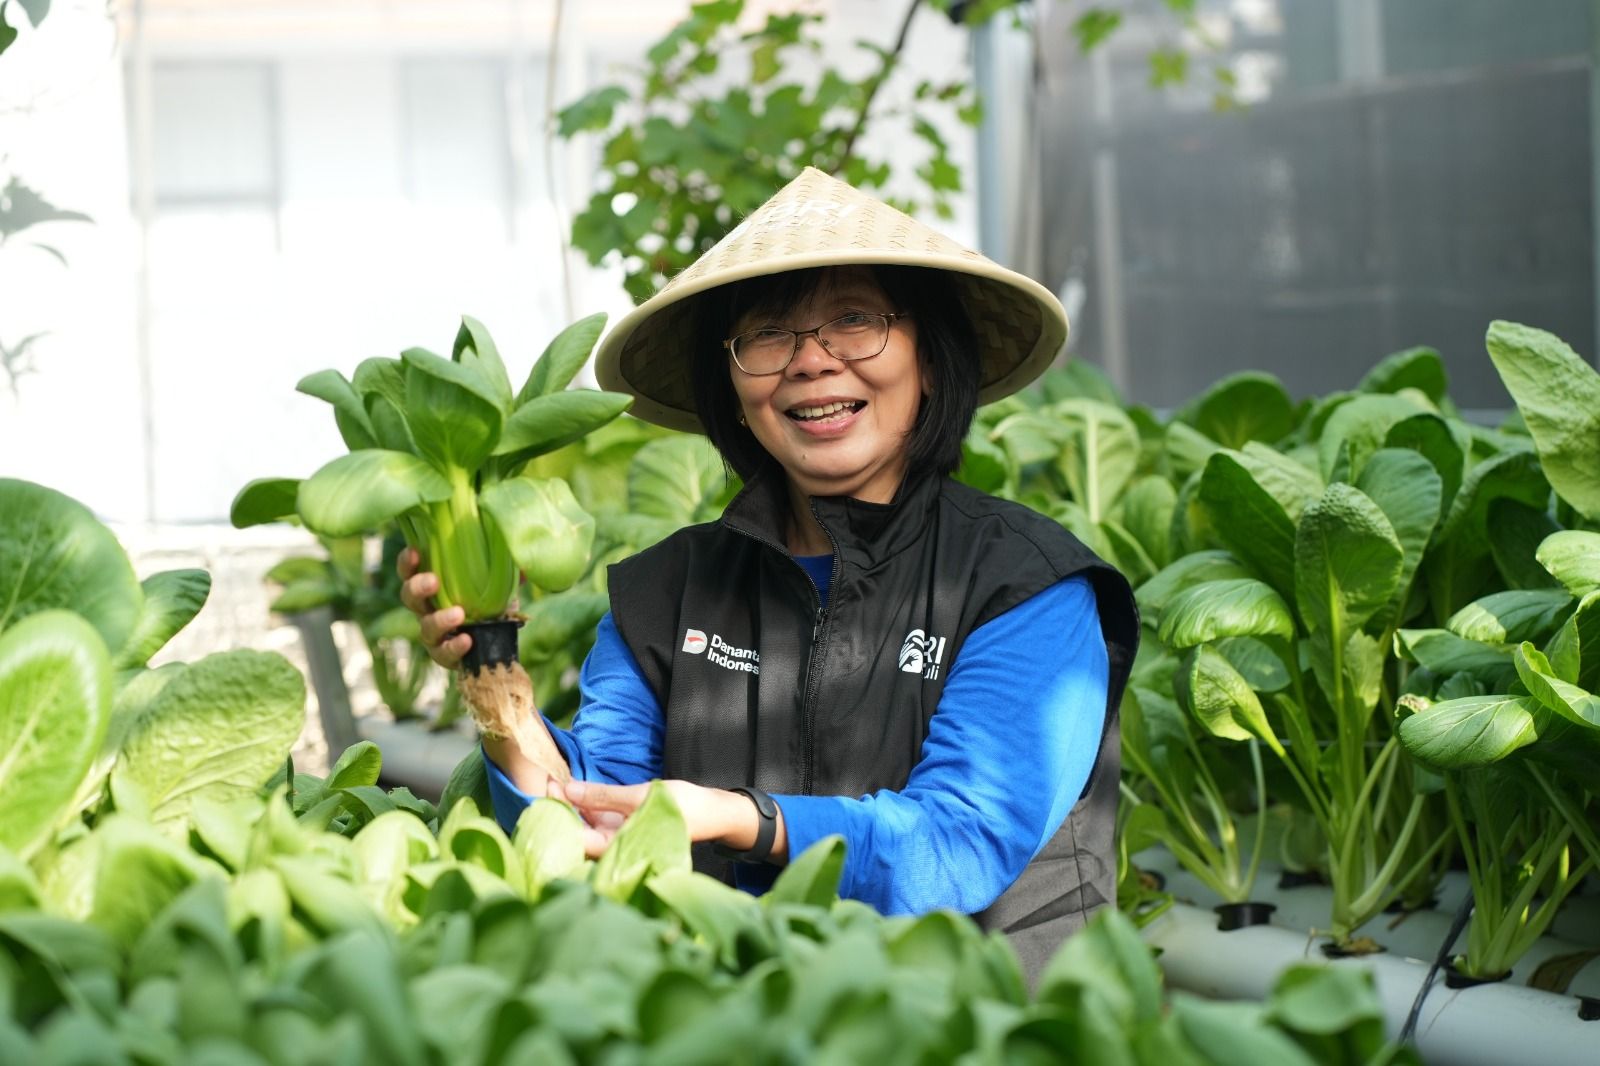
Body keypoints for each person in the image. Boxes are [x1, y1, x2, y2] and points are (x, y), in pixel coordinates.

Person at [399, 166, 1138, 979]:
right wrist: (489, 667)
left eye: (856, 321)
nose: (813, 362)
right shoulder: (664, 591)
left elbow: (957, 845)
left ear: (931, 358)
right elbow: (596, 813)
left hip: (981, 1026)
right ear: (733, 383)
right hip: (744, 1024)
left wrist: (742, 819)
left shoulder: (1025, 586)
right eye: (768, 335)